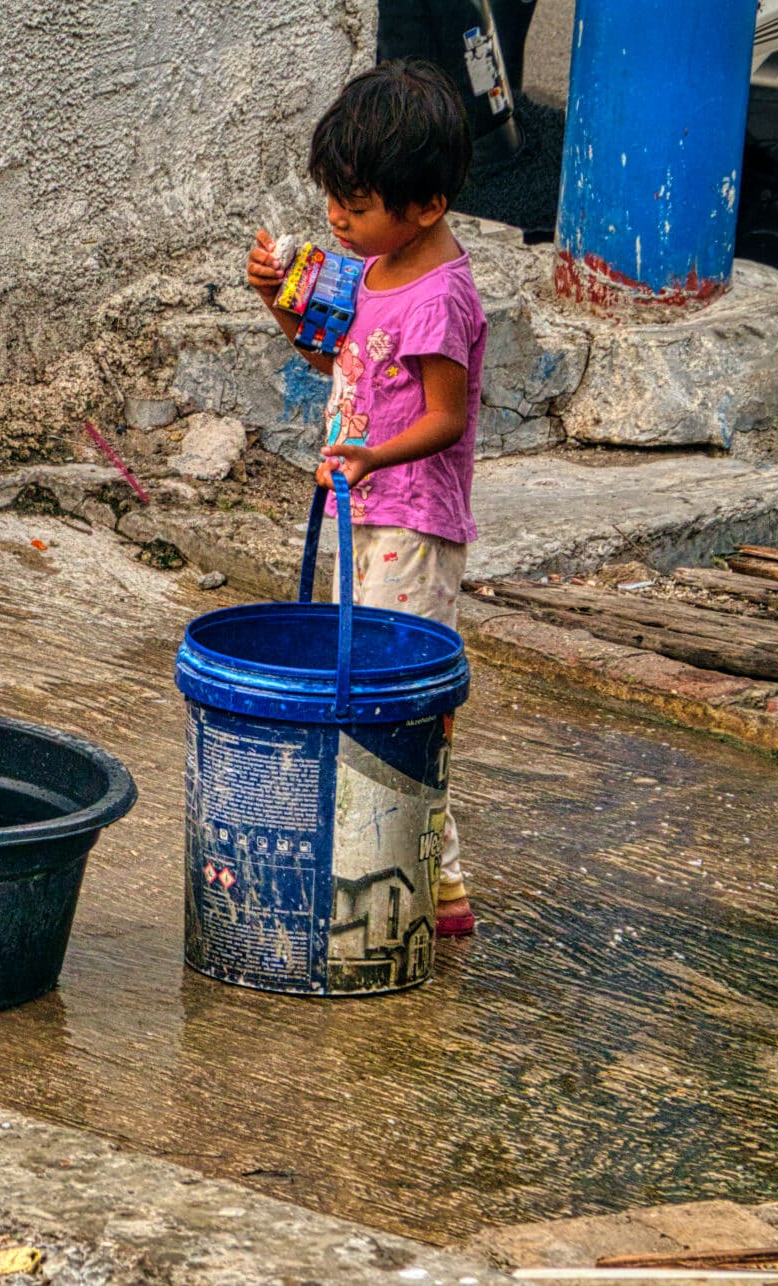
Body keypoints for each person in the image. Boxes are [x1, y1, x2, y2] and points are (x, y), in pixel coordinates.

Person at [244, 59, 488, 936]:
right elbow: (335, 363)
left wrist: (368, 456)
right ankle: (425, 879)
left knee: (391, 699)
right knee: (365, 691)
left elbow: (446, 419)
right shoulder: (376, 270)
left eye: (356, 204)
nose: (338, 222)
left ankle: (433, 885)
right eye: (333, 202)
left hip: (412, 519)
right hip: (368, 506)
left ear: (424, 206)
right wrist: (282, 303)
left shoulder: (436, 294)